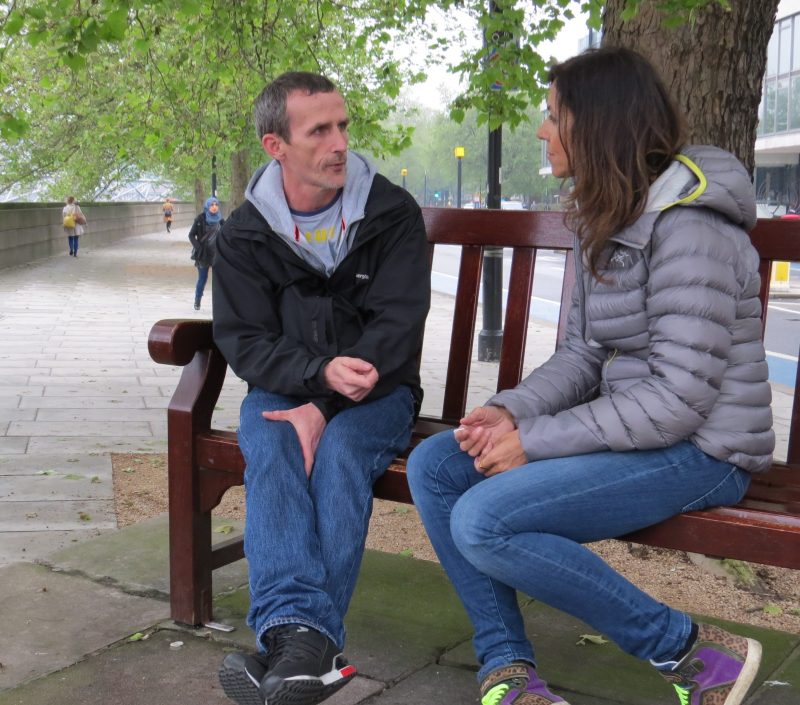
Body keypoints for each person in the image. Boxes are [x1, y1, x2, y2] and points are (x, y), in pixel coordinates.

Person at [407, 47, 774, 705]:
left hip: (705, 450)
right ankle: (509, 667)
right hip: (644, 430)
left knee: (485, 519)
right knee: (438, 464)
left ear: (599, 124)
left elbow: (679, 398)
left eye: (554, 116)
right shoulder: (607, 213)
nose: (542, 132)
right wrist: (513, 413)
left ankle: (693, 653)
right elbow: (582, 354)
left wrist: (538, 441)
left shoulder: (690, 226)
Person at [212, 72, 430, 705]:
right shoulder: (246, 234)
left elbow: (397, 325)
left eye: (343, 126)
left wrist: (329, 401)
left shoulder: (390, 213)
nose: (340, 143)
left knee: (338, 453)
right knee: (271, 441)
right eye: (320, 130)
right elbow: (243, 338)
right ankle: (308, 648)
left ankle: (288, 642)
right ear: (276, 146)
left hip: (377, 389)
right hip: (284, 387)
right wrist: (312, 383)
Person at [188, 196, 223, 310]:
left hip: (217, 255)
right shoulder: (200, 219)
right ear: (207, 206)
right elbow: (191, 235)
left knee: (219, 281)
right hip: (203, 255)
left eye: (216, 205)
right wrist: (198, 248)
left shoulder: (221, 221)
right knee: (202, 279)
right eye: (212, 205)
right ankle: (197, 300)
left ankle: (219, 304)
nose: (214, 207)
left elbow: (227, 236)